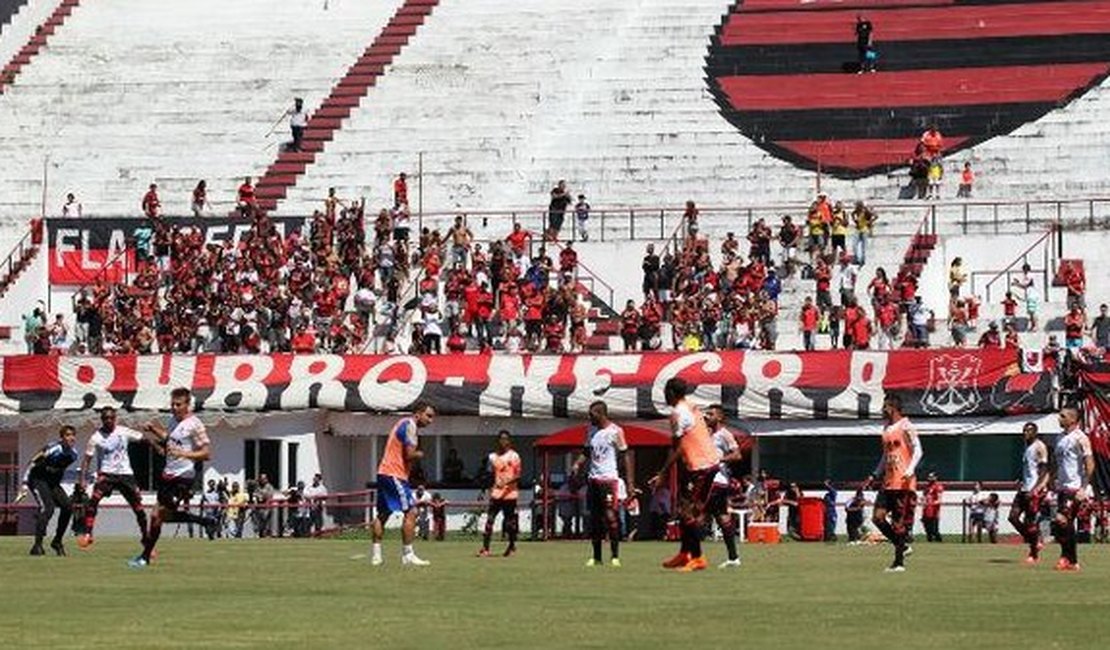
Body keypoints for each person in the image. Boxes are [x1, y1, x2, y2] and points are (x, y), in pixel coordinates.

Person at [129, 387, 217, 568]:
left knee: (156, 516)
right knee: (162, 517)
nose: (175, 407)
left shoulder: (195, 424)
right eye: (173, 404)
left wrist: (183, 453)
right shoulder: (172, 420)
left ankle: (145, 557)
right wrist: (154, 429)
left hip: (183, 478)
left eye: (179, 404)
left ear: (187, 405)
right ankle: (207, 521)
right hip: (167, 476)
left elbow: (207, 454)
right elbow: (170, 438)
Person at [650, 377, 721, 572]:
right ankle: (684, 554)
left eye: (666, 391)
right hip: (700, 464)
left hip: (701, 466)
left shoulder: (678, 413)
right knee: (684, 509)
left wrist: (663, 473)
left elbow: (678, 448)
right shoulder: (690, 405)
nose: (664, 395)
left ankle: (698, 557)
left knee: (688, 512)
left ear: (671, 392)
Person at [371, 402, 436, 567]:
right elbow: (409, 455)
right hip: (395, 474)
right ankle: (408, 555)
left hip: (384, 472)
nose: (431, 420)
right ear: (418, 414)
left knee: (383, 514)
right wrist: (420, 453)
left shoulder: (401, 423)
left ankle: (376, 556)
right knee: (412, 511)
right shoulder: (411, 425)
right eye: (428, 416)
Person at [864, 394, 922, 572]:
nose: (883, 410)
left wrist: (910, 469)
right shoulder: (886, 428)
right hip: (888, 481)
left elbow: (918, 449)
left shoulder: (906, 426)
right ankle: (902, 546)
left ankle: (898, 563)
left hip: (903, 483)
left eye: (885, 407)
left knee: (898, 523)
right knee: (878, 518)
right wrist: (874, 474)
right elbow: (885, 456)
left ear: (893, 408)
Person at [77, 406, 149, 550]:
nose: (108, 420)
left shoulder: (123, 431)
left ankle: (146, 538)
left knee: (139, 508)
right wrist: (82, 480)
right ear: (102, 420)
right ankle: (88, 534)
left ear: (115, 418)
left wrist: (158, 447)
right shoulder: (95, 437)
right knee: (92, 502)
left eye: (111, 418)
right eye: (105, 418)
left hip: (126, 475)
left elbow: (143, 438)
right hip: (106, 474)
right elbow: (86, 460)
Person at [573, 401, 635, 567]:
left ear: (601, 414)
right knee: (594, 520)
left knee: (610, 517)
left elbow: (625, 455)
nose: (589, 417)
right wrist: (578, 463)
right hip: (593, 480)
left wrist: (629, 483)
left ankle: (615, 556)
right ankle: (596, 557)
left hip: (608, 480)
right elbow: (586, 451)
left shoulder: (615, 431)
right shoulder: (591, 430)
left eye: (592, 414)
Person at [20, 425, 79, 556]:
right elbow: (32, 463)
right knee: (48, 509)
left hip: (52, 483)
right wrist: (24, 484)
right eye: (67, 435)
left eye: (72, 435)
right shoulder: (52, 449)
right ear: (62, 437)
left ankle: (57, 542)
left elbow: (60, 470)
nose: (71, 438)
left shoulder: (73, 455)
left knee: (68, 507)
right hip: (37, 480)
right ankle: (37, 546)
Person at [1051, 406, 1094, 571]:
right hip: (1061, 488)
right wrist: (1052, 480)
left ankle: (1066, 558)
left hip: (1075, 488)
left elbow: (1090, 464)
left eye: (1062, 416)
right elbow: (1058, 462)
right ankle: (1072, 561)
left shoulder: (1081, 438)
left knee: (1062, 520)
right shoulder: (1059, 438)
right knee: (1065, 524)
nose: (1059, 418)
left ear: (1072, 420)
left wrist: (1084, 487)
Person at [703, 404, 743, 567]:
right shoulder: (707, 435)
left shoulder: (725, 435)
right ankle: (733, 558)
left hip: (718, 481)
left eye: (711, 414)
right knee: (721, 517)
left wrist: (719, 460)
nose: (707, 417)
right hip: (709, 480)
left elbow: (737, 454)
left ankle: (692, 555)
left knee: (695, 513)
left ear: (719, 417)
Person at [479, 430, 522, 557]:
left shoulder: (514, 456)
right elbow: (487, 474)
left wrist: (507, 482)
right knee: (490, 520)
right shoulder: (492, 457)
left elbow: (518, 475)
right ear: (497, 441)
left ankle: (512, 545)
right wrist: (484, 488)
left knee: (509, 523)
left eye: (505, 439)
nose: (503, 441)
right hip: (496, 494)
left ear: (509, 441)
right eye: (501, 439)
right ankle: (485, 548)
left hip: (510, 494)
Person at [921, 472, 943, 542]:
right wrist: (923, 501)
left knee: (934, 530)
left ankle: (939, 541)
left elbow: (939, 499)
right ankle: (929, 542)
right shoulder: (926, 487)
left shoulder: (938, 486)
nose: (929, 479)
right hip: (926, 510)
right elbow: (924, 497)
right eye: (929, 477)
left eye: (931, 477)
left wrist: (931, 503)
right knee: (927, 529)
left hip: (934, 511)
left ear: (935, 478)